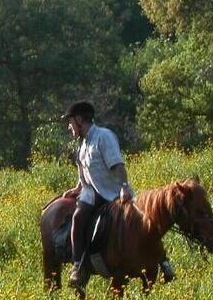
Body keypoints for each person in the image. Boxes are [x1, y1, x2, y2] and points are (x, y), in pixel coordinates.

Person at [61, 101, 174, 289]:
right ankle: (78, 265)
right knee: (78, 218)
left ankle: (163, 261)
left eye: (70, 121)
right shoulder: (82, 145)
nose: (69, 126)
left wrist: (123, 186)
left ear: (79, 120)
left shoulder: (103, 137)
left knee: (145, 221)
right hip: (93, 194)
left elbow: (118, 165)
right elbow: (84, 175)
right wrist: (77, 188)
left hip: (114, 192)